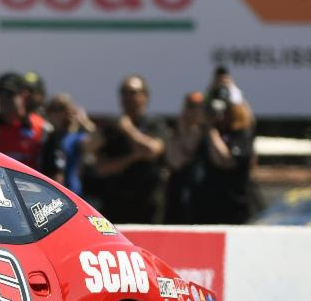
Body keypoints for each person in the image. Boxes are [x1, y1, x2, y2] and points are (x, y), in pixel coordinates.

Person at [84, 75, 166, 223]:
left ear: (145, 96)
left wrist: (129, 130)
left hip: (148, 205)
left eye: (133, 92)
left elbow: (153, 150)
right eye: (124, 93)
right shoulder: (112, 127)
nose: (128, 97)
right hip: (115, 205)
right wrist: (133, 157)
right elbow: (100, 166)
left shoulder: (155, 123)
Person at [186, 86, 257, 224]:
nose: (219, 115)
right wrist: (200, 123)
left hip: (234, 207)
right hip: (206, 207)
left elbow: (226, 160)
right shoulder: (203, 130)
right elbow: (187, 150)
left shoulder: (241, 133)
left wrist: (212, 132)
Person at [0, 72, 58, 174]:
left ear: (24, 95)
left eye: (9, 94)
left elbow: (54, 172)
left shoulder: (43, 130)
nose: (3, 99)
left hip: (33, 187)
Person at [162, 92, 206, 224]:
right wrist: (182, 129)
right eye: (191, 107)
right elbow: (176, 161)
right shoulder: (174, 132)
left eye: (198, 108)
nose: (194, 112)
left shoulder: (207, 132)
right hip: (177, 188)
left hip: (199, 192)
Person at [44, 93, 95, 195]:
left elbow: (96, 142)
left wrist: (84, 121)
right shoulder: (45, 136)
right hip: (47, 191)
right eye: (52, 109)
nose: (56, 113)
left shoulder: (75, 138)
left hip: (71, 192)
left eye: (61, 109)